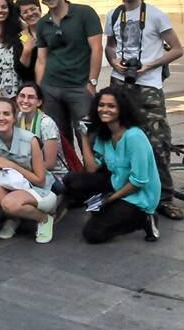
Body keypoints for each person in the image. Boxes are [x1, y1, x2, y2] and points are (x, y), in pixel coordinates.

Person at [104, 0, 184, 221]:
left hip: (148, 85)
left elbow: (178, 49)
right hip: (120, 83)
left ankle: (165, 198)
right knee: (117, 139)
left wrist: (150, 65)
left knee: (158, 141)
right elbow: (110, 46)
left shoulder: (156, 15)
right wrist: (114, 61)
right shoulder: (114, 15)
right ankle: (120, 190)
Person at [63, 87, 161, 243]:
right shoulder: (106, 133)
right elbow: (92, 168)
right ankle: (106, 209)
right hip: (117, 183)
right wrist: (83, 135)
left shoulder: (134, 136)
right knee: (72, 180)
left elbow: (138, 182)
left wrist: (108, 200)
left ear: (122, 109)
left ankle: (145, 218)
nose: (104, 109)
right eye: (101, 105)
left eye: (111, 106)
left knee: (93, 234)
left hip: (139, 196)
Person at [34, 0, 103, 145]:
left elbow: (97, 48)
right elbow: (41, 60)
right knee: (58, 138)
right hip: (51, 88)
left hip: (79, 87)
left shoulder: (84, 13)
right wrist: (40, 90)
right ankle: (68, 172)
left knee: (88, 136)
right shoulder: (43, 23)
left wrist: (92, 82)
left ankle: (92, 172)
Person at [0, 98, 57, 244]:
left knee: (9, 203)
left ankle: (44, 219)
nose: (1, 118)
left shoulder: (30, 140)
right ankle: (14, 217)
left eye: (6, 114)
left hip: (37, 189)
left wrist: (13, 165)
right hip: (11, 185)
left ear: (14, 117)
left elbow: (40, 180)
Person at [15, 83, 61, 176]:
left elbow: (50, 164)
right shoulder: (17, 118)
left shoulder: (46, 124)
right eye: (22, 96)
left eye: (31, 97)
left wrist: (19, 170)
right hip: (25, 170)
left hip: (52, 174)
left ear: (39, 102)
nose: (25, 100)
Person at [16, 0, 42, 84]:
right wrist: (27, 50)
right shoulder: (22, 36)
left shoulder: (54, 29)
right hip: (32, 86)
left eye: (32, 9)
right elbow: (21, 71)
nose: (30, 14)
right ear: (21, 17)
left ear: (39, 9)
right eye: (25, 12)